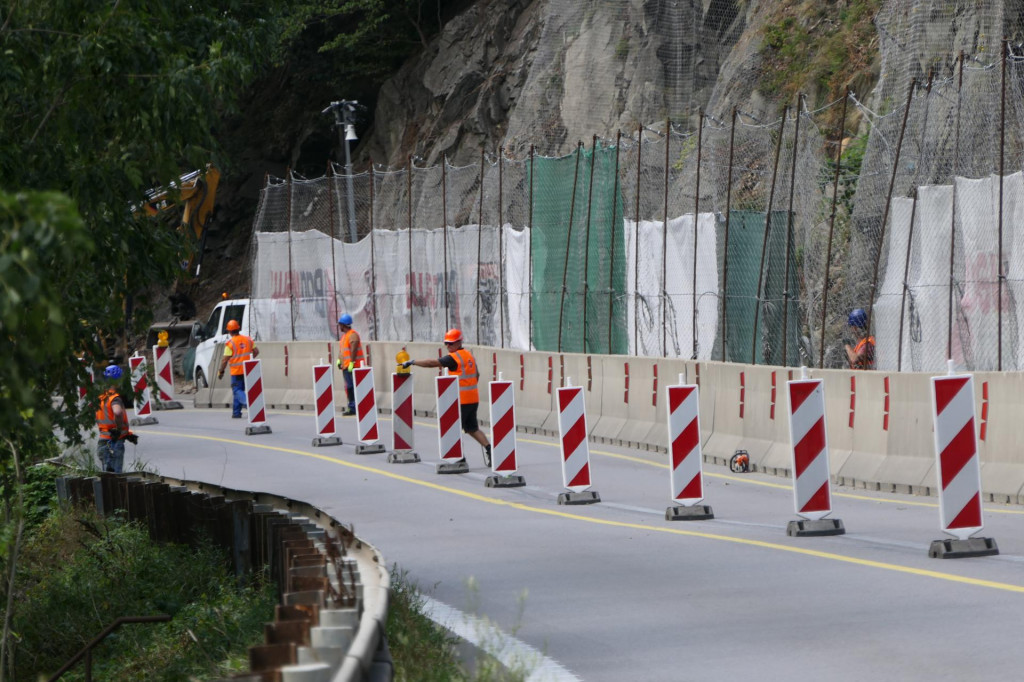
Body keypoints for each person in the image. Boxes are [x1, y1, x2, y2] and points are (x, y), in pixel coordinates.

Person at [402, 328, 492, 467]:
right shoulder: (469, 355)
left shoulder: (454, 358)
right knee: (472, 429)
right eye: (446, 343)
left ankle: (459, 457)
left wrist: (413, 362)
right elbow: (477, 375)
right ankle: (489, 449)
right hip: (472, 399)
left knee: (454, 429)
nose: (448, 346)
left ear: (459, 342)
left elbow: (432, 363)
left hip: (461, 400)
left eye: (451, 343)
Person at [95, 364, 136, 473]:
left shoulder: (101, 398)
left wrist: (127, 434)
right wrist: (118, 430)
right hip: (113, 443)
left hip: (103, 441)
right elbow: (117, 413)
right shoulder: (115, 398)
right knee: (116, 478)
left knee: (107, 477)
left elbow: (105, 419)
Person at [217, 319, 259, 418]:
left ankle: (248, 403)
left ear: (229, 331)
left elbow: (224, 360)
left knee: (237, 390)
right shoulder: (248, 339)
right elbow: (256, 351)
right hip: (248, 369)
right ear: (238, 329)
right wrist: (249, 359)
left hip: (236, 372)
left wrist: (221, 371)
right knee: (239, 391)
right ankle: (236, 413)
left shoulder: (230, 343)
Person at [335, 313, 364, 416]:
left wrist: (352, 363)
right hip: (346, 367)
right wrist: (339, 360)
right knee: (349, 387)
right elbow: (342, 351)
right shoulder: (344, 337)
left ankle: (354, 408)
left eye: (340, 325)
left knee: (352, 387)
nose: (339, 327)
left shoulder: (353, 335)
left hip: (354, 366)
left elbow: (354, 350)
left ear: (344, 325)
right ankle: (352, 406)